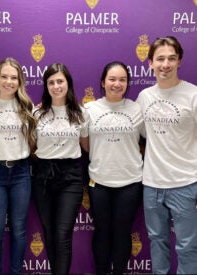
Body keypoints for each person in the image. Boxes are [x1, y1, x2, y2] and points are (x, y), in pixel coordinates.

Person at [136, 36, 197, 274]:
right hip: (152, 184)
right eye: (160, 59)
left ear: (179, 61)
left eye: (171, 58)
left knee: (187, 247)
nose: (166, 64)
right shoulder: (144, 97)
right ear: (150, 63)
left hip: (186, 183)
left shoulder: (193, 94)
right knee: (157, 242)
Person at [0, 57, 36, 275]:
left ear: (20, 81)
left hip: (21, 173)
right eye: (4, 76)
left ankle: (16, 271)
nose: (9, 81)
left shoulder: (26, 106)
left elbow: (31, 140)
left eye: (14, 77)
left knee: (19, 230)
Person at [84, 61, 144, 274]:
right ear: (103, 82)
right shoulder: (90, 109)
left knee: (122, 232)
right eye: (112, 79)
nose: (117, 84)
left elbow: (148, 139)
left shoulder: (137, 108)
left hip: (130, 182)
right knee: (102, 231)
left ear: (127, 83)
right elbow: (84, 142)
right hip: (99, 181)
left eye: (122, 80)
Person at [32, 63, 89, 275]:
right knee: (49, 232)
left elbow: (87, 146)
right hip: (43, 175)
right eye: (51, 82)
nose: (56, 86)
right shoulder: (36, 112)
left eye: (60, 81)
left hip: (71, 176)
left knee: (63, 234)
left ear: (68, 84)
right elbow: (30, 145)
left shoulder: (81, 113)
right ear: (46, 86)